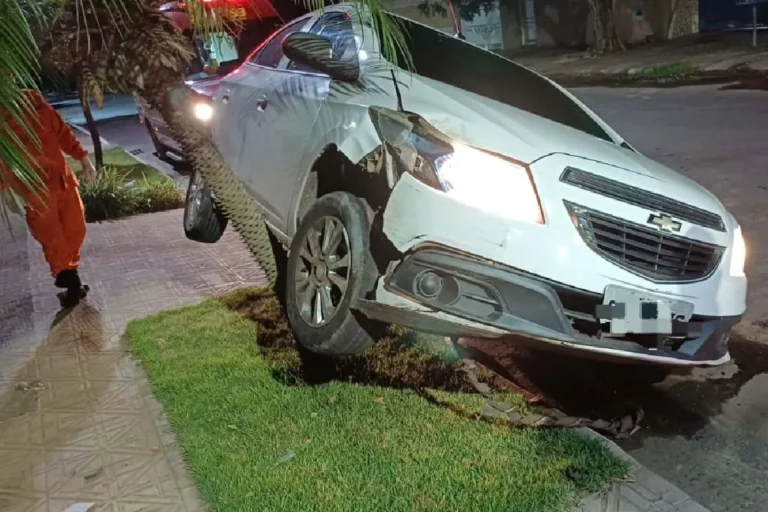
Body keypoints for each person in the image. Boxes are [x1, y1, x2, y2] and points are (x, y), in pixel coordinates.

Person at [1, 89, 96, 307]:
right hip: (34, 190)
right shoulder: (3, 120)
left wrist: (83, 158)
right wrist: (5, 188)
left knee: (76, 229)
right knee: (51, 237)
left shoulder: (39, 107)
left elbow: (63, 133)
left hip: (62, 181)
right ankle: (70, 279)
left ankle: (68, 275)